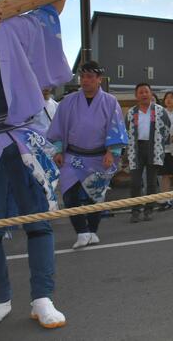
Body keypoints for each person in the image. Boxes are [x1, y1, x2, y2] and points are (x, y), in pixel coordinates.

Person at [0, 0, 79, 329]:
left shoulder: (9, 30)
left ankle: (42, 298)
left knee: (38, 219)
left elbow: (47, 15)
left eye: (0, 2)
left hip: (22, 137)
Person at [47, 60, 128, 249]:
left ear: (99, 79)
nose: (85, 80)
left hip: (99, 156)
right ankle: (82, 232)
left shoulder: (110, 101)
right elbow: (57, 127)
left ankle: (92, 231)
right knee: (69, 194)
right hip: (73, 156)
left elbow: (116, 128)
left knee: (96, 196)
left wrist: (112, 152)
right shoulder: (68, 101)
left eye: (90, 77)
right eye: (82, 77)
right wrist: (58, 149)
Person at [126, 83, 171, 223]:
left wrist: (161, 144)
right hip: (136, 148)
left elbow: (167, 128)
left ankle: (149, 209)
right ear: (136, 95)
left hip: (154, 147)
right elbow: (126, 130)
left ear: (151, 94)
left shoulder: (159, 111)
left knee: (151, 182)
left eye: (146, 92)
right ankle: (135, 211)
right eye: (141, 92)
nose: (144, 94)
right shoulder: (131, 112)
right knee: (135, 182)